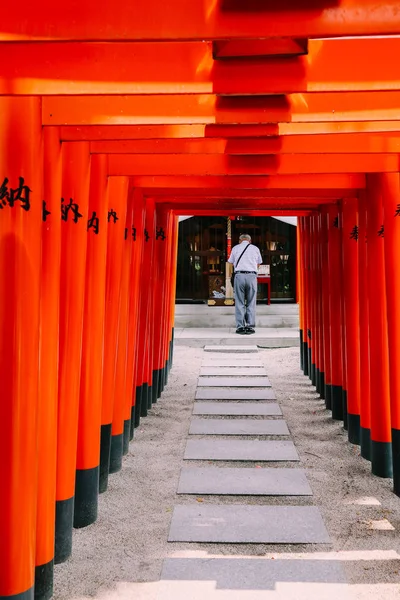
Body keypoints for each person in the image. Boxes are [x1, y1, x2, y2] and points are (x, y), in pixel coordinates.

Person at [228, 234, 263, 335]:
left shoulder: (235, 248)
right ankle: (250, 326)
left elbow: (231, 262)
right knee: (251, 302)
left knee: (239, 301)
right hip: (252, 276)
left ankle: (240, 326)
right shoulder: (255, 249)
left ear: (240, 240)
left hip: (239, 276)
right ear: (250, 241)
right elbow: (259, 263)